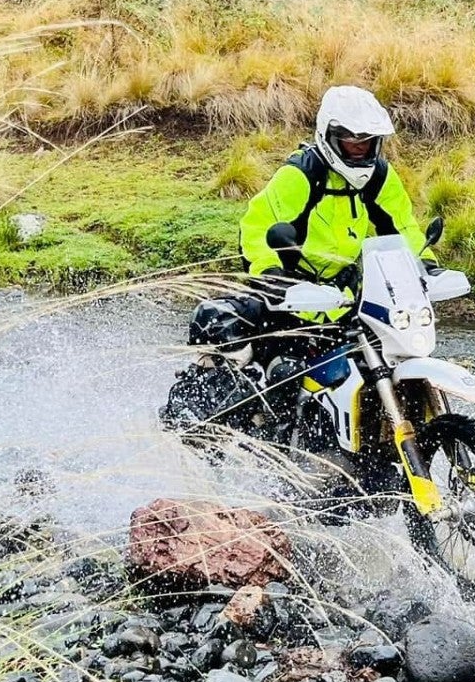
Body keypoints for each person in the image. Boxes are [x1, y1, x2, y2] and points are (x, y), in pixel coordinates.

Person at [169, 86, 432, 430]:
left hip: (347, 302)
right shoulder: (300, 175)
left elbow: (402, 229)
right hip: (289, 299)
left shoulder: (380, 177)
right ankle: (271, 444)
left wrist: (424, 264)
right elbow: (258, 225)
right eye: (352, 142)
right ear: (330, 137)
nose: (360, 150)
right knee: (285, 376)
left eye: (367, 143)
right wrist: (270, 274)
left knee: (378, 362)